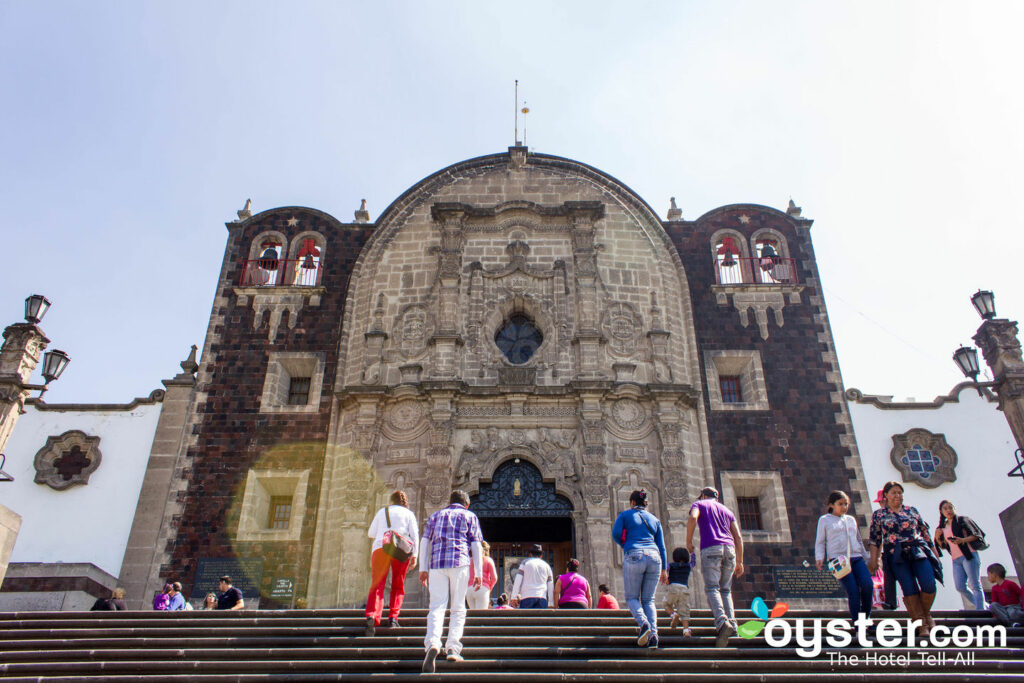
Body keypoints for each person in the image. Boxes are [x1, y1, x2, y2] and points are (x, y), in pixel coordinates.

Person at [418, 489, 483, 673]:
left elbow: (425, 541)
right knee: (458, 608)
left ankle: (432, 644)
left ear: (450, 501)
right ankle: (453, 648)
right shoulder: (469, 516)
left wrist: (423, 568)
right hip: (460, 563)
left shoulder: (436, 516)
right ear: (466, 504)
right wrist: (477, 572)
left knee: (437, 607)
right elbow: (476, 545)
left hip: (437, 564)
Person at [868, 481, 939, 637]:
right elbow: (875, 539)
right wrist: (874, 560)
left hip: (917, 551)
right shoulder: (879, 515)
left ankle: (925, 615)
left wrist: (935, 554)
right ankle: (922, 626)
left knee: (929, 584)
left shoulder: (911, 511)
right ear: (885, 495)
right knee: (909, 588)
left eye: (900, 492)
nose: (897, 495)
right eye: (894, 492)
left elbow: (924, 533)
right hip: (896, 555)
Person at [686, 486, 744, 648]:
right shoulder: (727, 510)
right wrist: (740, 561)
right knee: (725, 590)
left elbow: (692, 518)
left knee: (712, 588)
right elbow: (738, 537)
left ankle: (722, 622)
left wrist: (688, 541)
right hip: (730, 550)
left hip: (711, 548)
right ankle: (733, 625)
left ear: (703, 496)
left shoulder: (700, 505)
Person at [613, 488, 668, 649]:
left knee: (631, 598)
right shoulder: (654, 519)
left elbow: (616, 533)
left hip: (634, 554)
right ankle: (654, 635)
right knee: (649, 599)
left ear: (632, 502)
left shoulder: (625, 515)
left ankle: (643, 623)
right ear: (645, 503)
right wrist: (664, 569)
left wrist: (625, 544)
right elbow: (662, 547)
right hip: (655, 557)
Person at [365, 490, 419, 635]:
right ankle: (393, 618)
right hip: (400, 549)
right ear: (404, 501)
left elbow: (371, 533)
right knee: (398, 584)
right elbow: (414, 535)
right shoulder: (409, 514)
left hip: (380, 547)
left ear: (391, 501)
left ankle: (372, 615)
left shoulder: (382, 512)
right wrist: (415, 555)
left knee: (377, 584)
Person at [814, 490, 873, 622]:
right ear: (831, 505)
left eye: (846, 504)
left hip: (856, 558)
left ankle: (865, 618)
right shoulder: (824, 520)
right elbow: (820, 541)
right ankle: (859, 625)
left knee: (868, 585)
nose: (844, 507)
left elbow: (858, 539)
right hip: (838, 560)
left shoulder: (851, 520)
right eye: (840, 504)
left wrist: (867, 558)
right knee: (853, 591)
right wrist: (819, 557)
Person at [934, 500, 987, 611]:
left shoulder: (962, 520)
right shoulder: (943, 527)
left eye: (950, 507)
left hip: (969, 555)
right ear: (941, 512)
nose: (948, 510)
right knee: (960, 586)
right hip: (956, 559)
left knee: (975, 584)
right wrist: (938, 537)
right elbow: (943, 546)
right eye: (945, 508)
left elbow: (977, 535)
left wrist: (962, 540)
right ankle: (984, 606)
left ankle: (981, 610)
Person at [664, 547, 692, 637]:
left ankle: (673, 615)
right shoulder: (688, 565)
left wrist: (666, 578)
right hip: (684, 589)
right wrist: (692, 553)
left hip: (673, 587)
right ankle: (686, 630)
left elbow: (665, 569)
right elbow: (694, 562)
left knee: (666, 603)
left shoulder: (671, 565)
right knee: (684, 611)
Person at [987, 563, 1023, 627]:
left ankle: (1012, 622)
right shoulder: (994, 588)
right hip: (1004, 609)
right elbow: (994, 602)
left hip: (1014, 607)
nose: (988, 577)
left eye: (989, 575)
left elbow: (1021, 595)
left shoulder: (1010, 584)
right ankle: (1011, 623)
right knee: (993, 605)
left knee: (1012, 612)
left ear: (994, 574)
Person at [467, 540, 497, 610]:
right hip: (482, 588)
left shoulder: (469, 560)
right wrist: (490, 587)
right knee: (480, 615)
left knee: (472, 615)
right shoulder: (488, 560)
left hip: (469, 589)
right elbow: (494, 578)